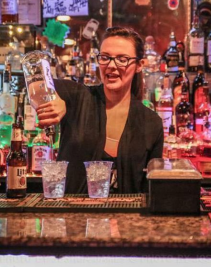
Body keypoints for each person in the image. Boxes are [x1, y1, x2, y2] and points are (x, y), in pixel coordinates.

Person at [36, 27, 164, 194]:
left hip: (128, 218)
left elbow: (152, 187)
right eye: (105, 58)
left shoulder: (151, 123)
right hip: (73, 217)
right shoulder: (77, 98)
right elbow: (35, 78)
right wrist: (52, 98)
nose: (111, 65)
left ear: (139, 65)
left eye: (122, 59)